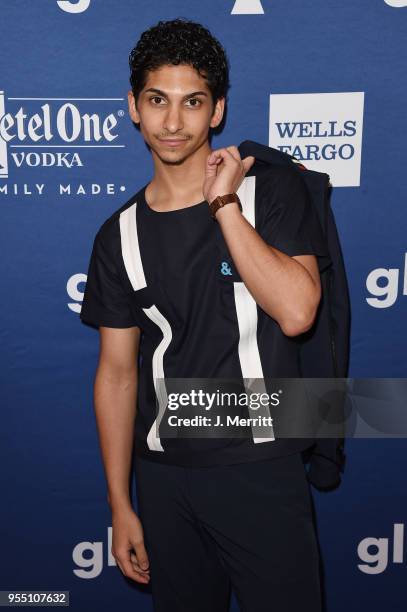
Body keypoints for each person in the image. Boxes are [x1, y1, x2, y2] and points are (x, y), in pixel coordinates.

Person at [80, 17, 332, 612]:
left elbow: (298, 312)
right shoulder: (117, 235)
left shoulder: (270, 193)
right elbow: (117, 375)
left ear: (216, 110)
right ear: (133, 109)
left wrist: (223, 204)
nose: (173, 122)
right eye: (157, 101)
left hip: (261, 469)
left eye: (192, 102)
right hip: (165, 476)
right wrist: (121, 503)